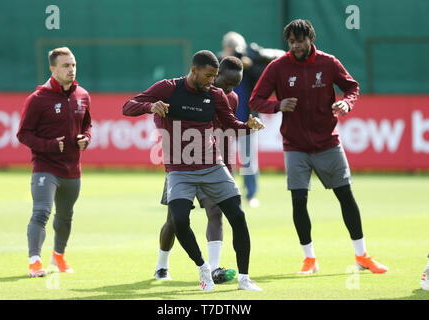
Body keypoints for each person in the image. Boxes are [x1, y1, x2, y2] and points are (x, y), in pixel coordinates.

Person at [249, 19, 388, 275]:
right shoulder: (277, 67)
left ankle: (362, 256)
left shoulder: (328, 62)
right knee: (299, 201)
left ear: (310, 38)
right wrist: (277, 106)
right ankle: (309, 260)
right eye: (291, 42)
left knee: (345, 197)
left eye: (299, 41)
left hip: (328, 142)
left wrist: (347, 103)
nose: (295, 46)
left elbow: (352, 87)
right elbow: (255, 100)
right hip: (295, 146)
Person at [122, 50, 264, 291]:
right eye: (209, 76)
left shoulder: (217, 95)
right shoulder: (168, 88)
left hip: (212, 166)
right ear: (194, 70)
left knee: (237, 217)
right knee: (177, 220)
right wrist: (150, 106)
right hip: (179, 169)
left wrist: (248, 127)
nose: (212, 81)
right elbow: (128, 106)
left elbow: (231, 125)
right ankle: (201, 267)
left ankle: (243, 279)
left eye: (215, 77)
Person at [154, 56, 244, 285]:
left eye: (234, 86)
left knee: (216, 213)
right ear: (216, 75)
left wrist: (227, 168)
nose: (229, 89)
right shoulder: (189, 92)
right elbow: (162, 118)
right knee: (175, 221)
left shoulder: (229, 98)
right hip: (182, 164)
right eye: (225, 83)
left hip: (213, 165)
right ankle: (161, 266)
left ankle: (212, 269)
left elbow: (227, 134)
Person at [17, 47, 92, 277]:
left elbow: (88, 125)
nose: (71, 69)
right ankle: (34, 262)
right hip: (45, 168)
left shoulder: (83, 95)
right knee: (41, 212)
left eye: (73, 65)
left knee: (65, 217)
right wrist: (49, 145)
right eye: (65, 65)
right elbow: (23, 134)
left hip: (72, 169)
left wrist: (85, 139)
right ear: (52, 68)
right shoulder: (38, 99)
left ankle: (58, 256)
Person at [220, 32, 285, 208]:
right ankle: (227, 195)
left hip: (247, 121)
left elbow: (267, 72)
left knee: (249, 162)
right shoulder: (218, 65)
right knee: (224, 161)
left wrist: (250, 64)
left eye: (236, 49)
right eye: (230, 48)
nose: (233, 52)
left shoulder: (248, 67)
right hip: (223, 121)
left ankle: (250, 195)